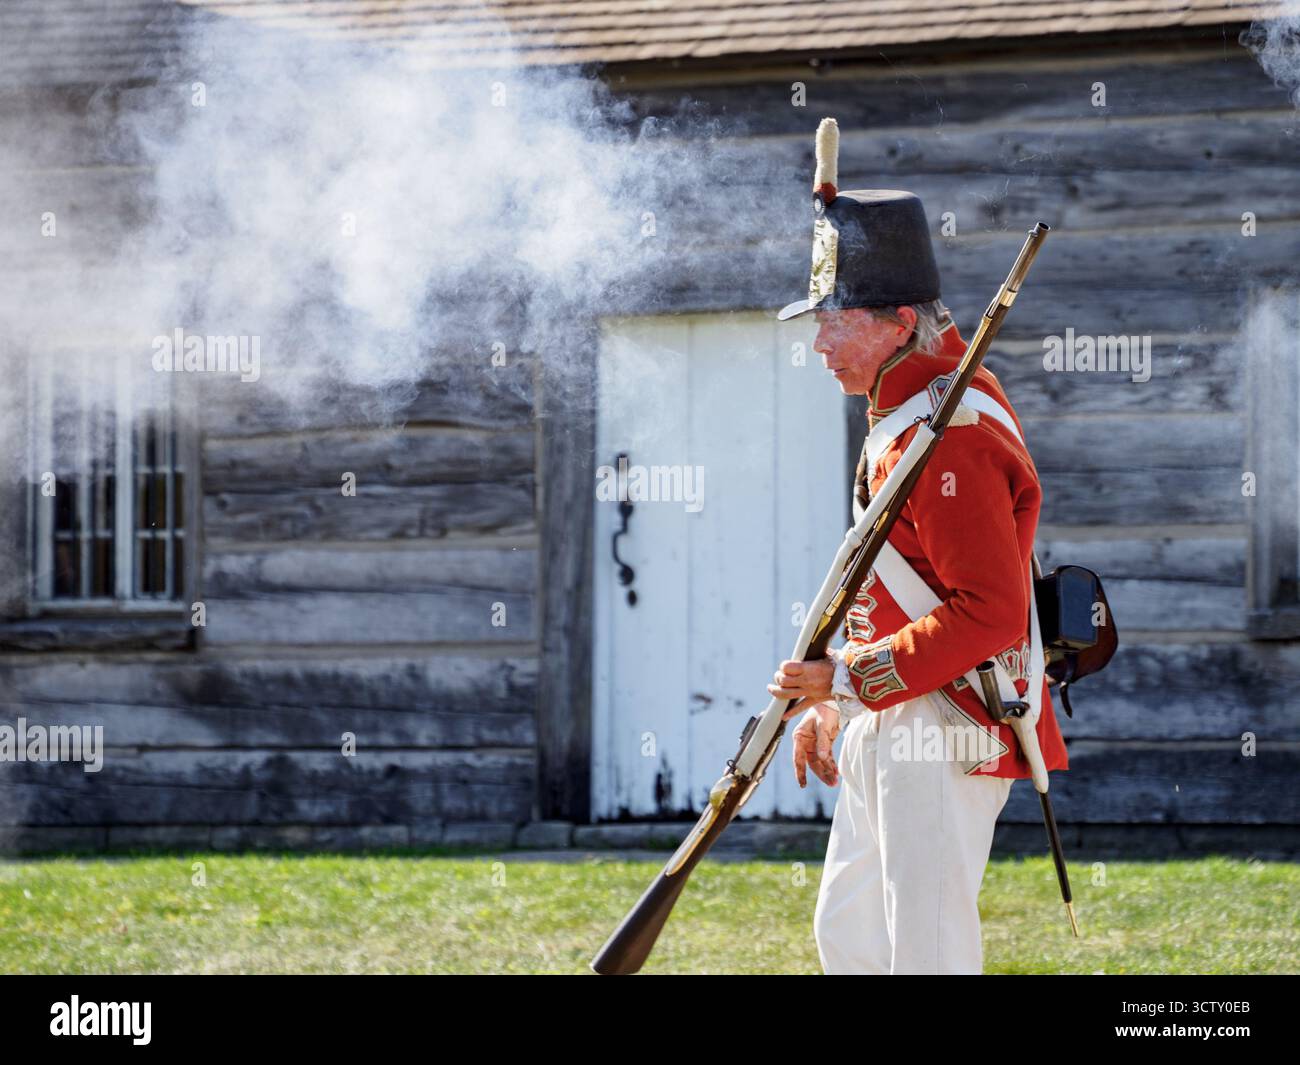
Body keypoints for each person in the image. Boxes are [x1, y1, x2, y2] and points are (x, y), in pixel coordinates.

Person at [768, 118, 1067, 975]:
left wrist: (847, 680)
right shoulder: (905, 420)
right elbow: (888, 583)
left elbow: (991, 611)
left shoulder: (952, 434)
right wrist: (836, 702)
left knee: (924, 955)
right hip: (893, 714)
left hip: (948, 722)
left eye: (837, 321)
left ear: (900, 322)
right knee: (850, 936)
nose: (818, 343)